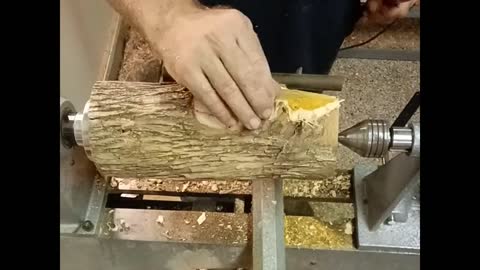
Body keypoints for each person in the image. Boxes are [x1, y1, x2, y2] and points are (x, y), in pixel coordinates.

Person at [106, 0, 417, 130]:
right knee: (208, 100)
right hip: (210, 20)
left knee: (300, 72)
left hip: (318, 15)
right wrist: (169, 18)